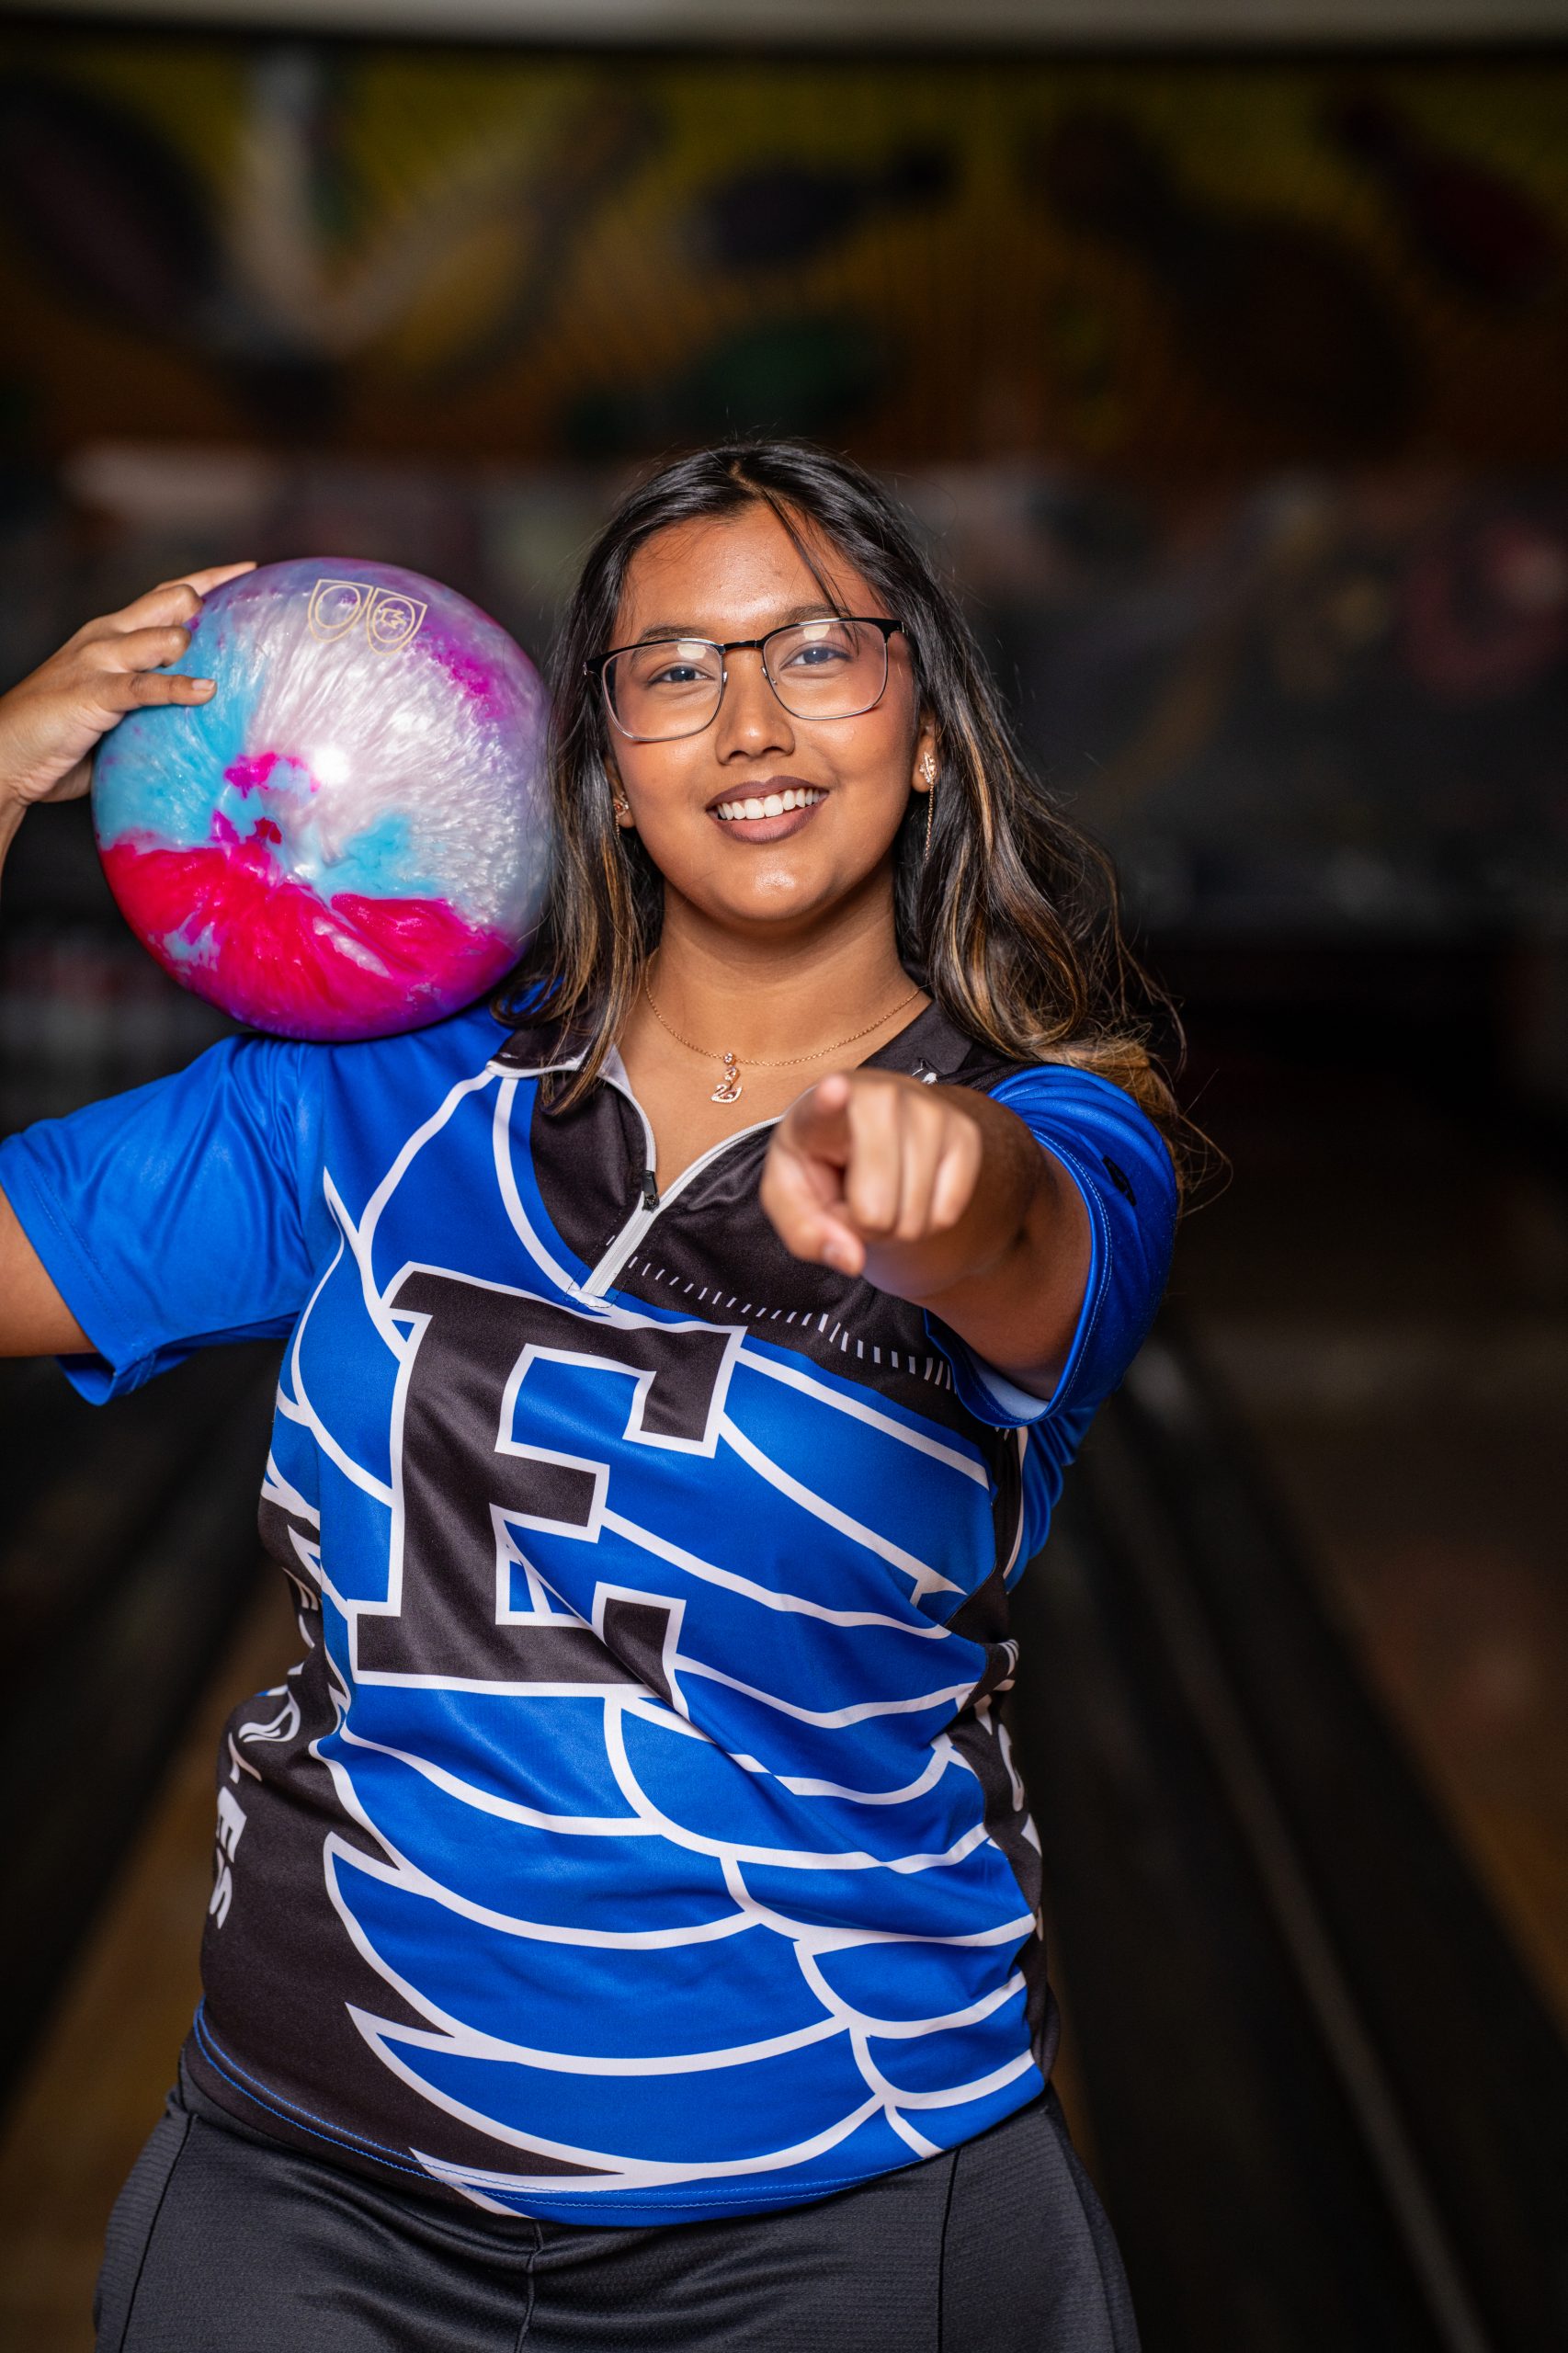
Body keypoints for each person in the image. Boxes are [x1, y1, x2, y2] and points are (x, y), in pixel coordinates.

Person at [0, 441, 1184, 2352]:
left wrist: (934, 1179)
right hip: (308, 2185)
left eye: (818, 650)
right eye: (674, 668)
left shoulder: (1062, 1140)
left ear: (933, 725)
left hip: (843, 2199)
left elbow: (1028, 1244)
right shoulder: (373, 1100)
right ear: (606, 776)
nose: (746, 717)